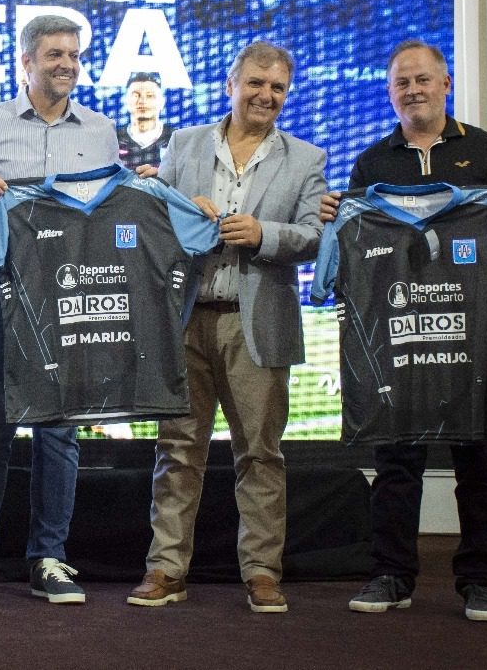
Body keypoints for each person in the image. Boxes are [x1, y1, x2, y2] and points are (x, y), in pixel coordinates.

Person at [321, 40, 487, 623]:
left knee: (480, 463)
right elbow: (357, 242)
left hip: (472, 338)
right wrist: (334, 219)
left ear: (446, 84)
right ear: (389, 92)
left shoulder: (486, 151)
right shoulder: (373, 162)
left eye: (423, 79)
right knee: (396, 461)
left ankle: (480, 581)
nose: (413, 90)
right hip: (400, 336)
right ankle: (391, 575)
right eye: (402, 82)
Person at [127, 40, 326, 614]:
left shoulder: (306, 158)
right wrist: (178, 208)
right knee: (176, 450)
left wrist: (265, 234)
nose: (266, 95)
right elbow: (153, 222)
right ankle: (166, 568)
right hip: (184, 320)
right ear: (231, 85)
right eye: (256, 83)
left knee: (261, 454)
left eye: (278, 88)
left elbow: (316, 235)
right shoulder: (184, 144)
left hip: (256, 323)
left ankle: (262, 572)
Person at [0, 14, 119, 608]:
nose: (66, 64)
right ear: (26, 61)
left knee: (59, 430)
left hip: (71, 295)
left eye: (73, 55)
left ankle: (49, 558)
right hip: (0, 291)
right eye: (54, 54)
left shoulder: (101, 130)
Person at [116, 71, 173, 169]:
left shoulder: (174, 138)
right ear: (125, 101)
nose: (142, 101)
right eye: (136, 95)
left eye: (149, 96)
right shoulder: (114, 138)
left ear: (162, 102)